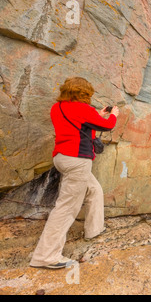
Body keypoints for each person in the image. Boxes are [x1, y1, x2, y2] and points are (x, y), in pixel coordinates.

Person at [30, 77, 119, 269]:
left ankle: (94, 229)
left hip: (62, 158)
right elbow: (107, 126)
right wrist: (113, 115)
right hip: (77, 161)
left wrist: (97, 114)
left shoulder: (58, 108)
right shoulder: (82, 109)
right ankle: (46, 256)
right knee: (66, 208)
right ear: (84, 93)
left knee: (94, 190)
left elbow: (79, 124)